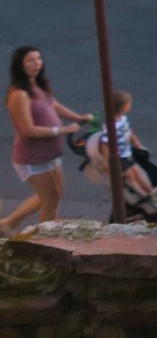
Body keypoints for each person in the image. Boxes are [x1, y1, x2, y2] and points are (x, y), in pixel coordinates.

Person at [1, 47, 93, 234]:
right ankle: (46, 238)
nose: (36, 63)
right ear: (20, 65)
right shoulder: (19, 94)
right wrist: (63, 129)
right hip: (32, 158)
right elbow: (27, 130)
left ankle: (8, 223)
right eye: (30, 60)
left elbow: (53, 105)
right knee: (50, 200)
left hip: (49, 155)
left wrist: (78, 117)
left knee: (55, 196)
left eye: (38, 59)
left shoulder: (38, 85)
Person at [87, 90, 157, 201]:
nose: (130, 106)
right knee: (131, 178)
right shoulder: (111, 125)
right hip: (119, 158)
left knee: (139, 173)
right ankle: (145, 197)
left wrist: (137, 144)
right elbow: (105, 144)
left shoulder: (123, 119)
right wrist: (107, 161)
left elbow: (129, 132)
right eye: (129, 104)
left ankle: (151, 193)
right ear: (123, 107)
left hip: (127, 154)